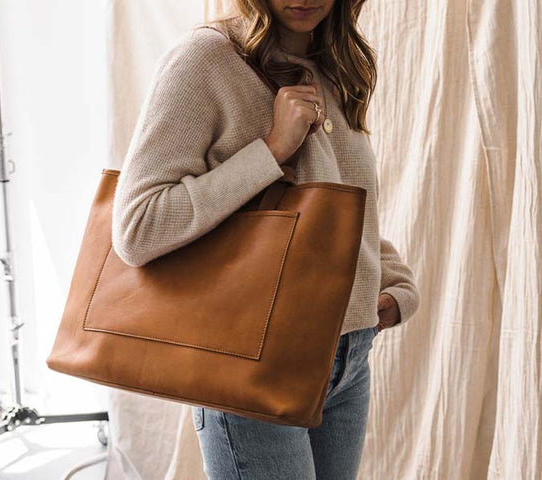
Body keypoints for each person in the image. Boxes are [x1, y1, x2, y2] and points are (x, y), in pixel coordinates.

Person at [111, 0, 420, 478]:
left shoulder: (335, 66)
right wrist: (273, 150)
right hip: (253, 358)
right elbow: (138, 226)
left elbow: (342, 208)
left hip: (348, 358)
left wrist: (395, 286)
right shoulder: (207, 59)